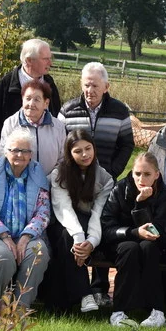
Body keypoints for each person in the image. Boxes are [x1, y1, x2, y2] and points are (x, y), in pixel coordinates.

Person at [0, 127, 51, 308]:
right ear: (6, 151)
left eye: (25, 151)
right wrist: (4, 236)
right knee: (3, 257)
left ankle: (19, 308)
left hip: (25, 234)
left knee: (38, 253)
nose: (19, 154)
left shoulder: (38, 174)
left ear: (31, 155)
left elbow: (43, 212)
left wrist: (26, 236)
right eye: (15, 150)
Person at [100, 152, 166, 327]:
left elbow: (161, 233)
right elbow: (107, 227)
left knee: (148, 248)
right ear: (132, 172)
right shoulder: (119, 189)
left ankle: (157, 310)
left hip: (153, 243)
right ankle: (119, 311)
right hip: (120, 242)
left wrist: (141, 204)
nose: (141, 179)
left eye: (147, 174)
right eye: (137, 174)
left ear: (157, 174)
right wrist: (134, 232)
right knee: (130, 248)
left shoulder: (164, 194)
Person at [46, 130, 114, 312]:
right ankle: (85, 294)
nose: (85, 155)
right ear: (69, 153)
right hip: (61, 222)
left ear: (94, 148)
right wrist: (78, 239)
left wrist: (90, 242)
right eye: (78, 151)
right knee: (65, 237)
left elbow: (99, 213)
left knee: (68, 239)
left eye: (88, 148)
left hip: (93, 226)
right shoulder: (59, 174)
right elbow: (64, 209)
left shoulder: (104, 178)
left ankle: (66, 302)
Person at [58, 63, 134, 178]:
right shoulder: (67, 111)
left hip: (106, 179)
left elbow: (127, 145)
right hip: (73, 178)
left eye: (95, 86)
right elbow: (59, 144)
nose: (90, 90)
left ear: (106, 87)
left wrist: (113, 171)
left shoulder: (120, 111)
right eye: (86, 85)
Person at [0, 39, 60, 156]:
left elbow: (56, 117)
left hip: (45, 160)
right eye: (45, 59)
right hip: (14, 158)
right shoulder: (5, 85)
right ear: (29, 61)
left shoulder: (50, 84)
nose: (50, 63)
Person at [0, 79, 66, 176]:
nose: (31, 104)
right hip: (18, 183)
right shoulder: (10, 124)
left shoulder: (58, 127)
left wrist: (47, 181)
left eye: (37, 99)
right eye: (28, 98)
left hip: (50, 183)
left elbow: (63, 159)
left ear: (46, 103)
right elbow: (3, 155)